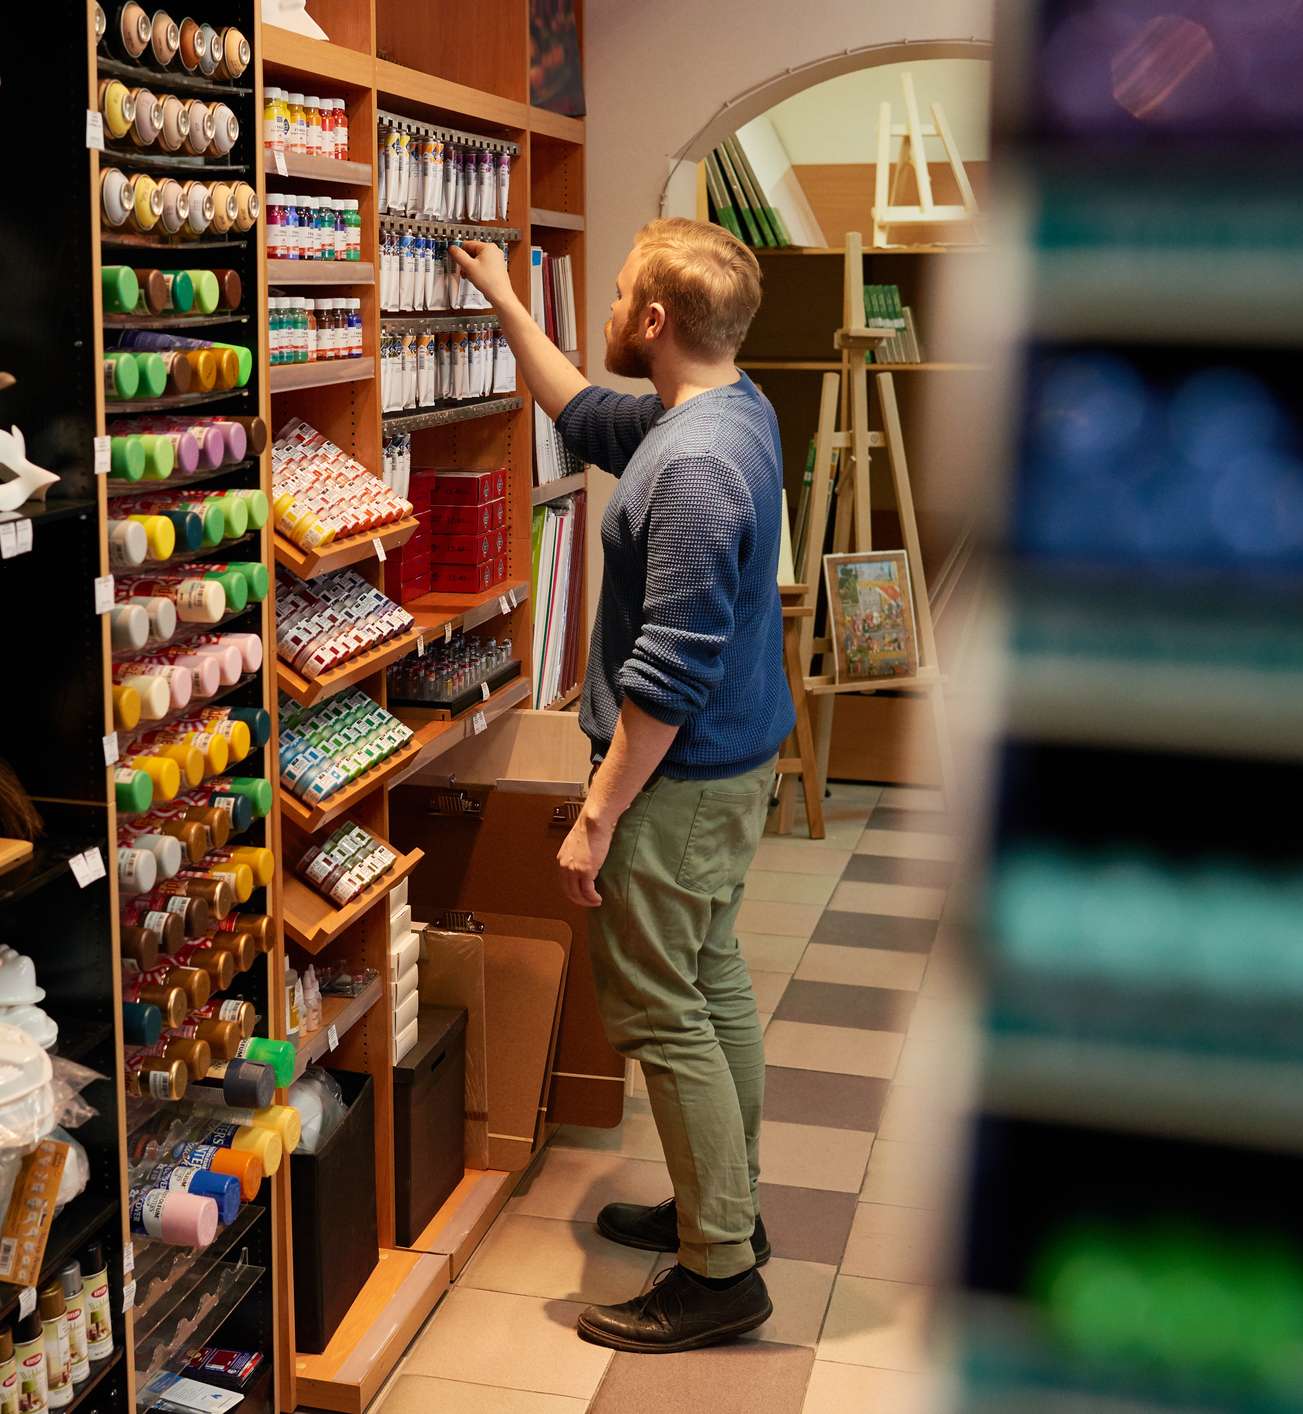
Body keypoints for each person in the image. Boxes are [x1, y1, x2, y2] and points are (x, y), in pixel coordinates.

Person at [449, 218, 794, 1353]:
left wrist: (593, 818)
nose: (600, 313)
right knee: (710, 979)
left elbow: (669, 672)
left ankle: (718, 1272)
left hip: (677, 780)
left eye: (614, 298)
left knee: (659, 1011)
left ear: (654, 321)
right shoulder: (720, 412)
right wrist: (503, 295)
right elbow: (581, 412)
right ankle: (725, 1211)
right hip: (731, 770)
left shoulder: (693, 465)